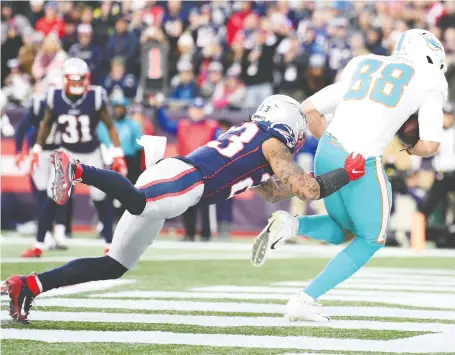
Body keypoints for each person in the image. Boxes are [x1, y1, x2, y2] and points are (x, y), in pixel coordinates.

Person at [4, 94, 366, 322]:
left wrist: (272, 181)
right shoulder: (272, 144)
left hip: (182, 180)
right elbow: (307, 188)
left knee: (114, 265)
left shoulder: (259, 145)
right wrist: (346, 175)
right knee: (141, 201)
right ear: (289, 124)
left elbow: (274, 193)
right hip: (187, 179)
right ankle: (77, 169)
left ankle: (29, 285)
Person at [251, 29, 448, 322]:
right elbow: (430, 145)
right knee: (372, 239)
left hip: (328, 149)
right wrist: (409, 145)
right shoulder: (431, 79)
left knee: (344, 229)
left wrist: (335, 143)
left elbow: (310, 110)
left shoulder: (364, 63)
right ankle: (305, 299)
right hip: (362, 159)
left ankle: (291, 225)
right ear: (434, 56)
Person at [20, 57, 127, 258]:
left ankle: (109, 244)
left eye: (81, 80)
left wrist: (117, 153)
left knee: (100, 197)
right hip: (66, 153)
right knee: (53, 197)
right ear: (65, 80)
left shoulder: (96, 96)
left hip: (91, 153)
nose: (78, 85)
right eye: (74, 80)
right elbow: (46, 124)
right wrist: (36, 149)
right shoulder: (55, 97)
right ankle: (39, 244)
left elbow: (110, 125)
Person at [156, 97, 218, 241]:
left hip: (205, 169)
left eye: (200, 110)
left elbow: (219, 143)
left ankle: (205, 234)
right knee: (186, 202)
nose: (197, 112)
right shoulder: (182, 125)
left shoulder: (212, 126)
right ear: (190, 110)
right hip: (185, 168)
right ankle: (189, 233)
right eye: (195, 109)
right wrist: (158, 108)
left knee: (205, 203)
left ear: (204, 111)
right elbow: (165, 125)